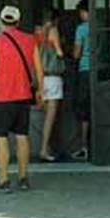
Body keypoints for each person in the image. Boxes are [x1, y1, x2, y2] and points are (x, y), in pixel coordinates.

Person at [0, 5, 43, 193]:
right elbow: (38, 69)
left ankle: (3, 180)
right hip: (23, 96)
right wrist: (40, 90)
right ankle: (23, 178)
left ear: (1, 21)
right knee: (22, 137)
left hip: (1, 97)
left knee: (1, 138)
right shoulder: (30, 40)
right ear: (18, 22)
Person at [35, 8, 65, 162]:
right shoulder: (53, 30)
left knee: (45, 116)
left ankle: (47, 147)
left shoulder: (38, 31)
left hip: (41, 77)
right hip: (53, 77)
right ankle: (44, 149)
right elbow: (59, 52)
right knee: (50, 118)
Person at [70, 0, 91, 161]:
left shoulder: (82, 29)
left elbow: (77, 53)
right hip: (102, 70)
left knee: (83, 111)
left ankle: (84, 147)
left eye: (81, 12)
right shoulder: (102, 27)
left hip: (84, 70)